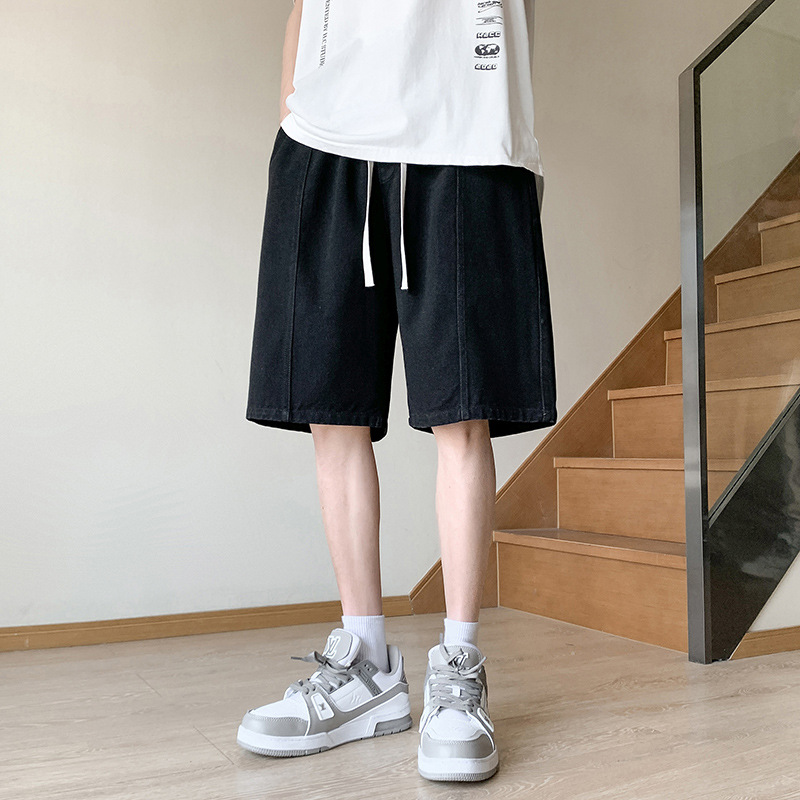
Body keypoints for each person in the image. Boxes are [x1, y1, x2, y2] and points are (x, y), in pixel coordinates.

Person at [237, 0, 557, 783]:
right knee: (332, 412)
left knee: (464, 413)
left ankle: (460, 667)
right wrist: (293, 110)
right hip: (326, 140)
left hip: (465, 134)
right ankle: (366, 666)